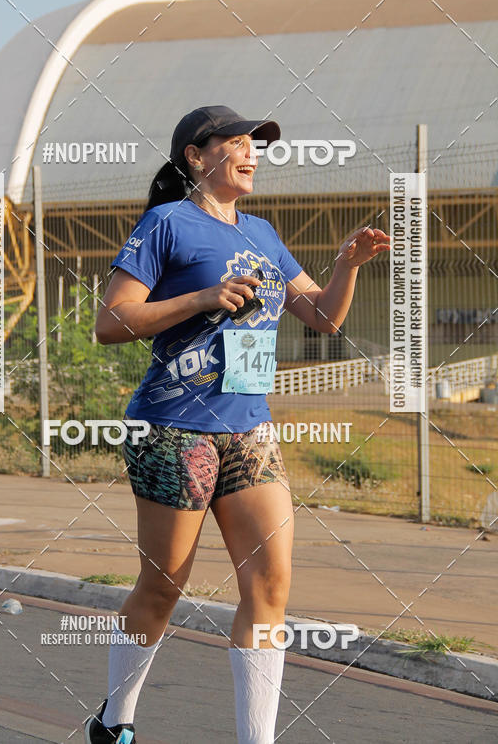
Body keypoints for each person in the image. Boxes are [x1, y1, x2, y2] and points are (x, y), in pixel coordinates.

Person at [85, 105, 390, 744]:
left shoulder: (263, 233)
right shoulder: (167, 224)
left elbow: (322, 318)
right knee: (164, 584)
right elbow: (111, 323)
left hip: (249, 429)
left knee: (271, 584)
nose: (252, 153)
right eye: (237, 142)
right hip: (174, 428)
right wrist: (201, 298)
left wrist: (349, 265)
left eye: (257, 145)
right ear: (196, 157)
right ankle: (115, 721)